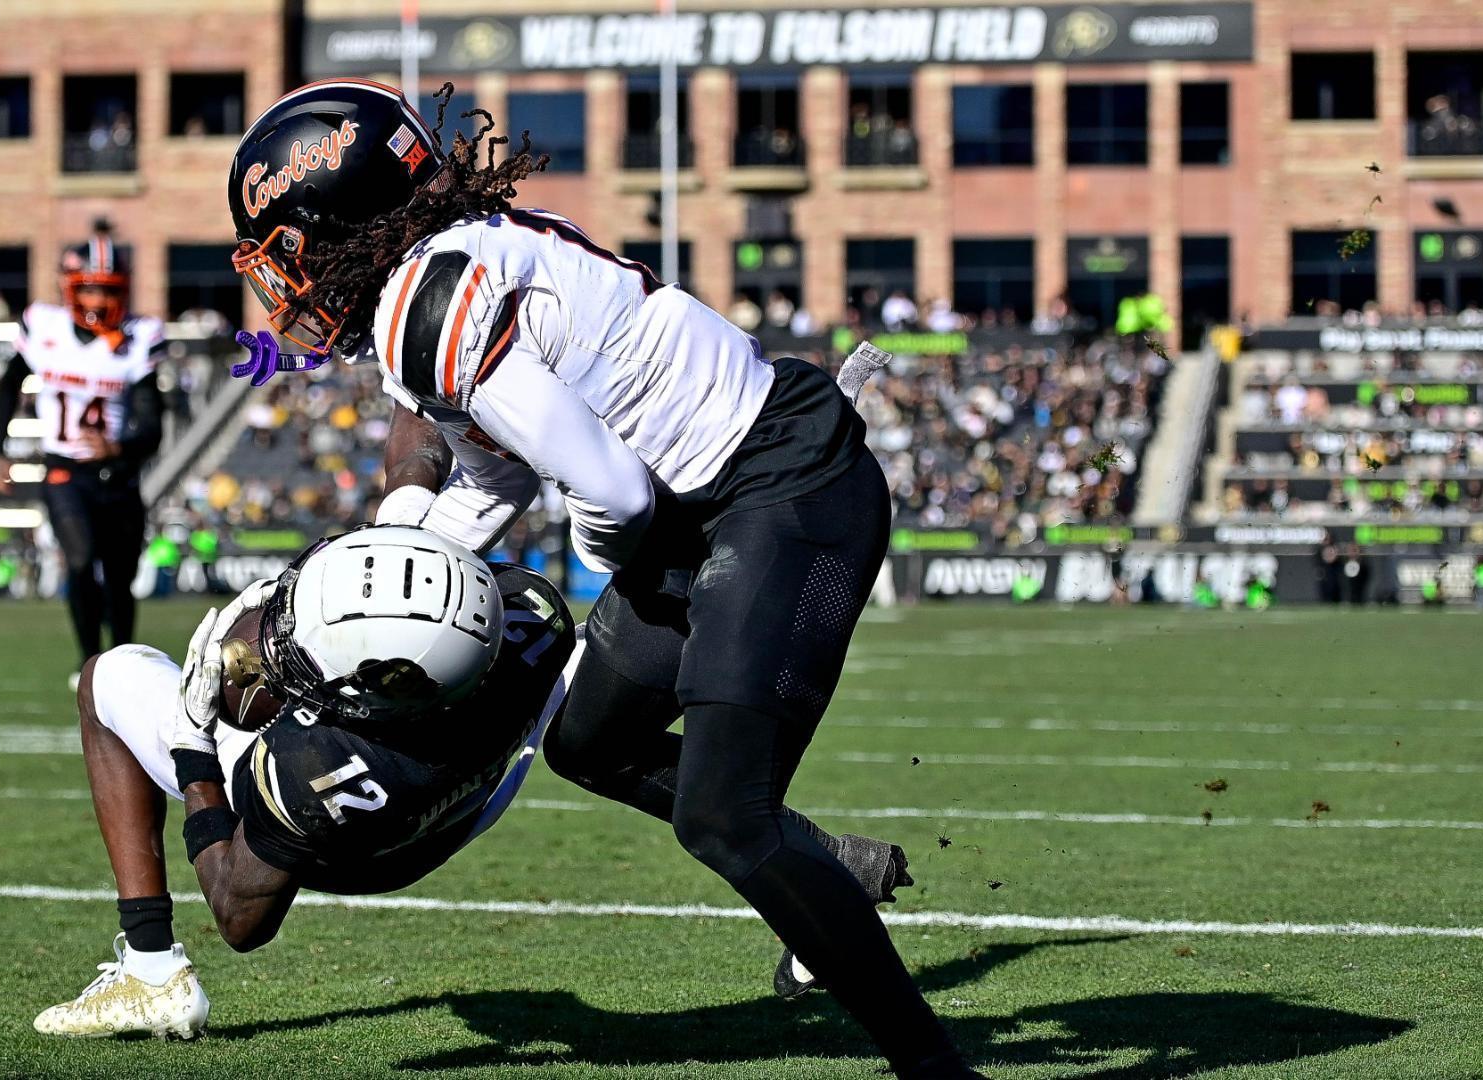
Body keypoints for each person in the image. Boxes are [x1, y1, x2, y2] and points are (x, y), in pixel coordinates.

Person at [227, 80, 977, 1078]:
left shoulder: (424, 300)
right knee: (586, 741)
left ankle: (937, 1070)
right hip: (714, 499)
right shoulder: (449, 266)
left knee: (724, 817)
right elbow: (495, 476)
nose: (290, 281)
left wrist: (620, 565)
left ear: (341, 220)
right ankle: (824, 867)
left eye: (290, 250)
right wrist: (370, 589)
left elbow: (615, 495)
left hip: (781, 487)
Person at [34, 526, 575, 1038]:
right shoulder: (530, 611)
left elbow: (239, 919)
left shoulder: (311, 763)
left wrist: (193, 749)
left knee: (106, 676)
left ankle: (150, 970)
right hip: (461, 806)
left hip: (351, 843)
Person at [0, 222, 165, 686]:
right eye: (87, 288)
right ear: (70, 287)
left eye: (105, 290)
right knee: (82, 561)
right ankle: (90, 661)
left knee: (120, 577)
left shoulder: (138, 338)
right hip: (65, 470)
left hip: (119, 473)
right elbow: (9, 384)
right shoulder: (43, 326)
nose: (96, 301)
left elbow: (153, 424)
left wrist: (119, 445)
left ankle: (124, 656)